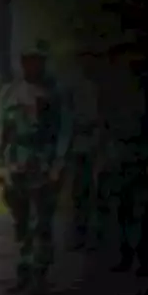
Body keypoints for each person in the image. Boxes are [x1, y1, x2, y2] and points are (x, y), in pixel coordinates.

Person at [0, 39, 72, 295]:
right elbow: (2, 129)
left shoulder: (56, 92)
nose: (31, 65)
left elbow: (64, 131)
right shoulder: (11, 91)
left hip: (44, 160)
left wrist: (58, 163)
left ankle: (41, 273)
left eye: (36, 60)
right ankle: (23, 271)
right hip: (17, 161)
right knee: (21, 222)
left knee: (42, 222)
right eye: (27, 60)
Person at [96, 38, 148, 276]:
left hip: (145, 151)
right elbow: (105, 124)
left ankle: (143, 259)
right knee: (121, 208)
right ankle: (125, 256)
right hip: (119, 152)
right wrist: (104, 155)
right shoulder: (112, 89)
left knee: (143, 209)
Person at [64, 45, 103, 251]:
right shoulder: (73, 85)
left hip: (99, 144)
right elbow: (67, 114)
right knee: (79, 191)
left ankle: (98, 234)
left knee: (99, 191)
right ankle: (79, 233)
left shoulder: (102, 85)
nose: (88, 63)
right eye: (84, 58)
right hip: (79, 144)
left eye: (91, 58)